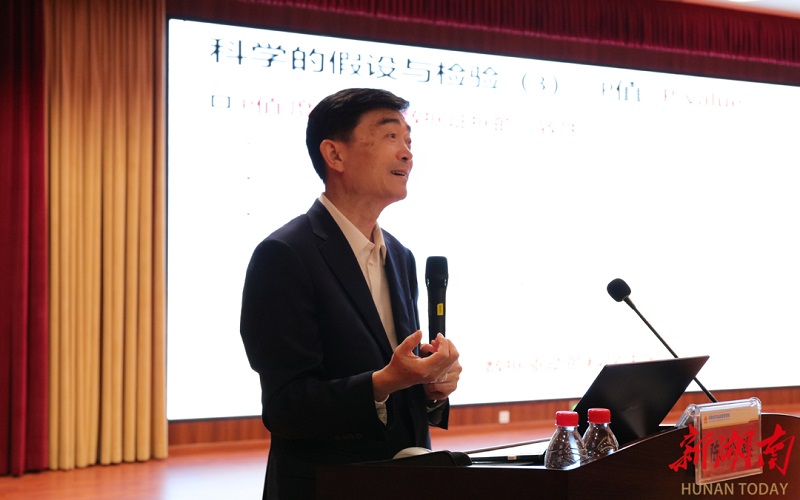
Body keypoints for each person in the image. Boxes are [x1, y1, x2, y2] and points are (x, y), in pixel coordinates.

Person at [239, 88, 462, 499]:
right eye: (390, 136)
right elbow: (286, 407)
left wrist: (430, 387)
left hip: (407, 478)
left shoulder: (400, 256)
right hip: (326, 486)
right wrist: (383, 382)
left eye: (409, 140)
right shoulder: (285, 254)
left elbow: (397, 377)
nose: (407, 154)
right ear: (334, 154)